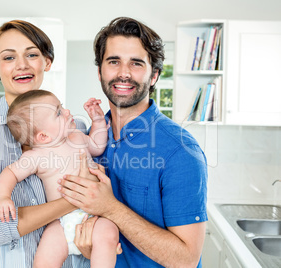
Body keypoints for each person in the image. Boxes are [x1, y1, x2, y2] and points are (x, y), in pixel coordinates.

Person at [58, 17, 208, 268]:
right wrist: (85, 243)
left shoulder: (180, 150)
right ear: (100, 71)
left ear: (154, 76)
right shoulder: (86, 142)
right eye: (114, 61)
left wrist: (110, 208)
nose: (123, 73)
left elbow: (186, 260)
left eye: (136, 63)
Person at [0, 20, 93, 268]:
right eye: (9, 57)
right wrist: (78, 200)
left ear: (47, 62)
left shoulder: (74, 127)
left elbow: (99, 206)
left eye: (32, 54)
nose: (22, 64)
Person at [0, 89, 119, 268]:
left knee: (108, 235)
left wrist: (98, 121)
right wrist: (3, 197)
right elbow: (10, 173)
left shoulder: (77, 138)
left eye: (63, 107)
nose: (67, 112)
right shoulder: (36, 157)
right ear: (43, 136)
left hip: (95, 216)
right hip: (61, 221)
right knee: (44, 260)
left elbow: (97, 146)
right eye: (59, 112)